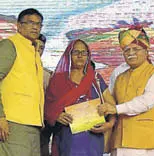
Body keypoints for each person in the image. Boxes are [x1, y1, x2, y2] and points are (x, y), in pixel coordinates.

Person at [98, 26, 154, 156]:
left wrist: (116, 109)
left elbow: (146, 102)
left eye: (136, 49)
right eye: (126, 50)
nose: (131, 53)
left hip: (147, 143)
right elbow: (107, 100)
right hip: (119, 141)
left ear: (146, 51)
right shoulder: (120, 77)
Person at [44, 39, 116, 156]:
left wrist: (110, 124)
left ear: (88, 56)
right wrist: (56, 115)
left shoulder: (95, 78)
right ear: (68, 55)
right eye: (76, 52)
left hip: (93, 139)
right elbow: (47, 107)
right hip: (67, 139)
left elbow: (112, 105)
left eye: (84, 52)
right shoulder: (58, 79)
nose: (80, 56)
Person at [0, 8, 44, 156]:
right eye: (30, 22)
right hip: (12, 123)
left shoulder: (34, 51)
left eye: (39, 24)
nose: (35, 27)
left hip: (34, 124)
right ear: (19, 26)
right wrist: (0, 117)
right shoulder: (10, 45)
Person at [34, 34, 53, 156]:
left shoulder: (47, 76)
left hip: (41, 128)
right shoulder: (12, 71)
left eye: (41, 48)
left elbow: (52, 102)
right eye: (34, 46)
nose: (37, 50)